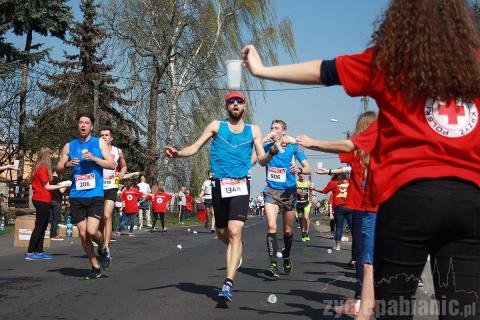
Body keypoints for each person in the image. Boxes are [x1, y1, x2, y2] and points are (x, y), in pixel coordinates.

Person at [242, 2, 480, 317]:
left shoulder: (390, 63)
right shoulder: (474, 66)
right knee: (466, 309)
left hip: (408, 200)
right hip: (470, 200)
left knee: (392, 307)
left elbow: (324, 71)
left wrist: (262, 70)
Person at [165, 91, 278, 302]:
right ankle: (237, 249)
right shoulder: (216, 126)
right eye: (231, 102)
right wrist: (178, 153)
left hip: (241, 185)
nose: (235, 104)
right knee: (221, 233)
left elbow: (261, 159)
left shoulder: (254, 130)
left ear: (244, 106)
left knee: (235, 231)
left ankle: (228, 283)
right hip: (219, 185)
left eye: (239, 102)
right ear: (227, 106)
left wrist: (272, 152)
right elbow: (195, 147)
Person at [297, 112, 378, 319]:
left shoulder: (357, 151)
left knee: (364, 258)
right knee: (375, 255)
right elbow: (344, 168)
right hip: (383, 208)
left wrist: (310, 142)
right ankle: (368, 298)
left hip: (363, 208)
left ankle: (361, 300)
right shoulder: (383, 150)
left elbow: (338, 149)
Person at [56, 113, 116, 279]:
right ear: (77, 125)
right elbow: (59, 168)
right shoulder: (69, 146)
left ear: (91, 126)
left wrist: (95, 159)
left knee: (91, 230)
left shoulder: (99, 142)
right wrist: (67, 164)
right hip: (76, 195)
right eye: (81, 122)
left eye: (86, 123)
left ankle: (103, 247)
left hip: (95, 193)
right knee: (82, 234)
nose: (83, 125)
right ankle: (95, 265)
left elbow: (112, 164)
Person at [261, 119, 311, 279]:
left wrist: (300, 169)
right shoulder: (268, 146)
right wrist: (265, 140)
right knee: (271, 225)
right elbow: (259, 160)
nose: (273, 130)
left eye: (276, 128)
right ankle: (273, 264)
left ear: (284, 131)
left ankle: (287, 256)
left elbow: (308, 167)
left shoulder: (292, 147)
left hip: (289, 193)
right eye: (271, 128)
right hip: (271, 191)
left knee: (288, 230)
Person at [25, 148, 67, 260]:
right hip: (41, 199)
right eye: (50, 155)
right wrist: (61, 186)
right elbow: (47, 186)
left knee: (43, 226)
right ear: (45, 156)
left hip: (43, 199)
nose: (51, 158)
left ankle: (39, 251)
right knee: (39, 226)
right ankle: (30, 252)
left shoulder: (41, 167)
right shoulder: (42, 168)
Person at [99, 128, 127, 249]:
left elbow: (124, 166)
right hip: (98, 186)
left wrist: (122, 172)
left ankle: (106, 245)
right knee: (99, 217)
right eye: (102, 135)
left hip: (111, 185)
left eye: (106, 135)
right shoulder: (96, 150)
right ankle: (101, 242)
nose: (104, 137)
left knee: (107, 215)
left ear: (111, 138)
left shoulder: (118, 151)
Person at [296, 173, 313, 242]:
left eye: (302, 174)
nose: (301, 175)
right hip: (299, 203)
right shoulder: (296, 183)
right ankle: (303, 232)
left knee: (306, 217)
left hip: (306, 203)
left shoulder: (308, 183)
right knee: (301, 219)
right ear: (298, 175)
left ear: (304, 174)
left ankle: (307, 232)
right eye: (299, 174)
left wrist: (313, 197)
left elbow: (311, 191)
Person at [50, 172, 66, 241]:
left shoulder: (49, 179)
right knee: (55, 219)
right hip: (56, 201)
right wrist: (65, 186)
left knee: (50, 218)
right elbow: (62, 191)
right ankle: (53, 234)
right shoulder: (59, 180)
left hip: (49, 200)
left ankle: (47, 233)